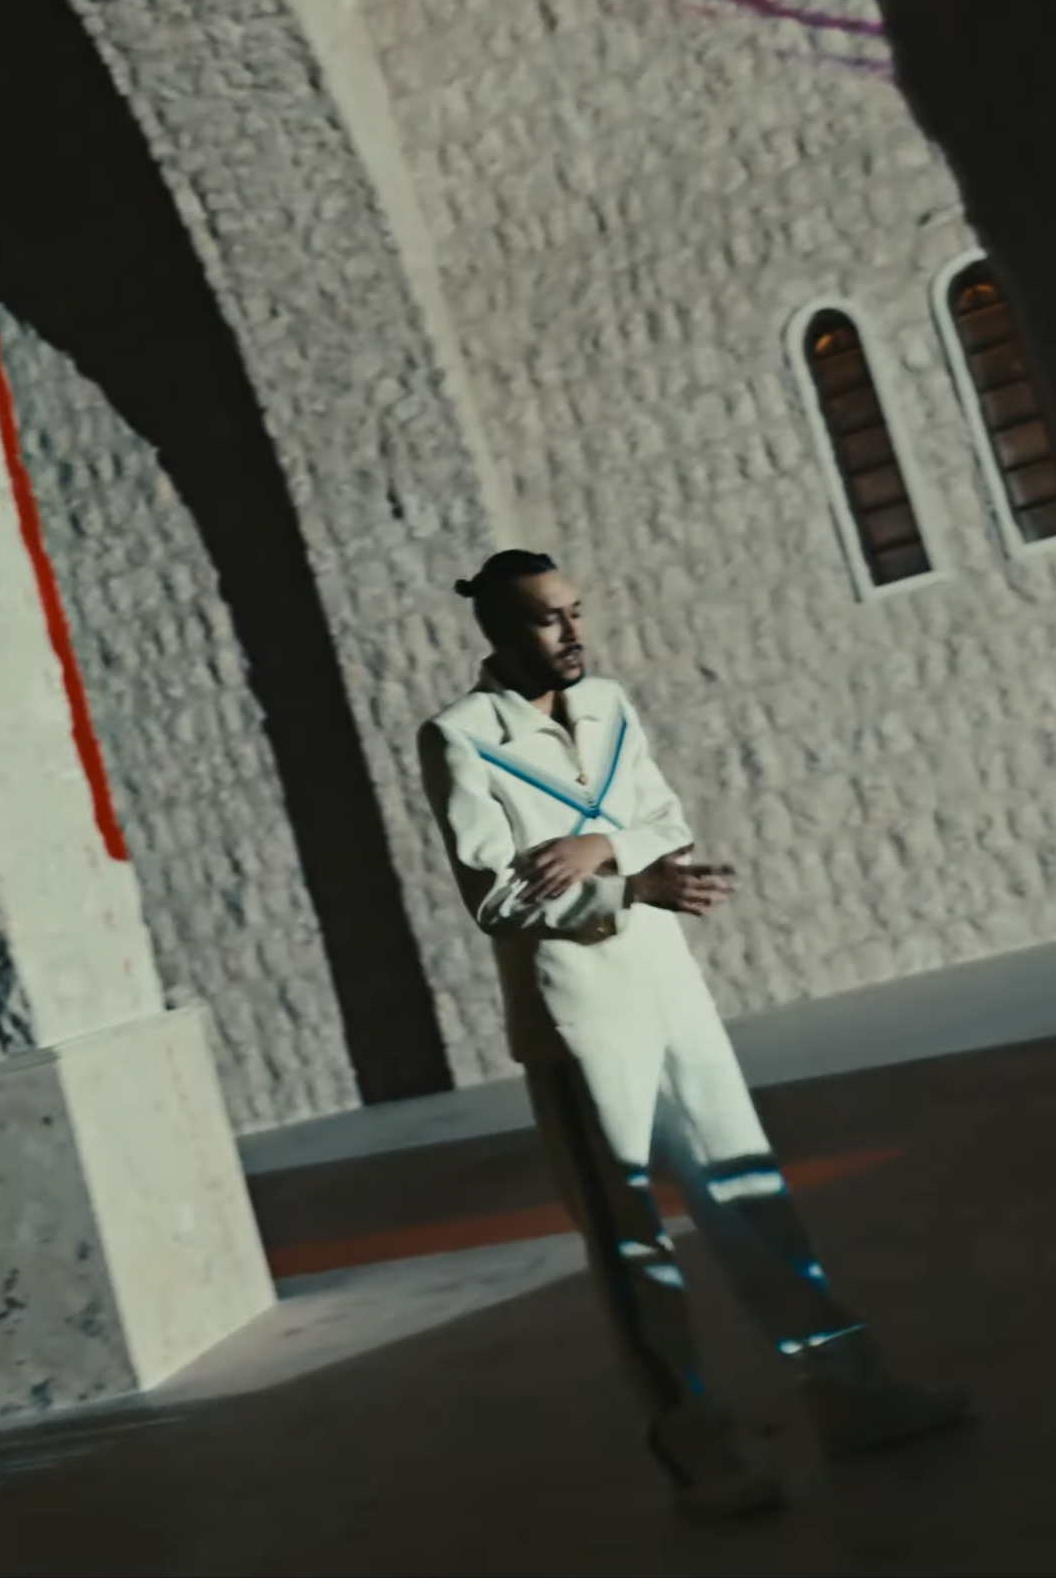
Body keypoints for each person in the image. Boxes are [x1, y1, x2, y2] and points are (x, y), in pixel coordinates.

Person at [415, 549, 970, 1520]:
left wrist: (605, 847)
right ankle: (697, 1456)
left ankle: (849, 1393)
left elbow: (664, 820)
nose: (572, 632)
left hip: (672, 991)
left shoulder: (608, 704)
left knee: (754, 1201)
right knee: (633, 1248)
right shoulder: (459, 736)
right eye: (548, 618)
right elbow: (496, 897)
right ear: (498, 631)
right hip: (578, 1021)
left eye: (576, 611)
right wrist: (627, 885)